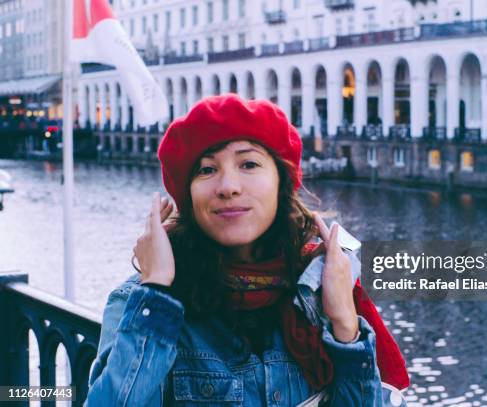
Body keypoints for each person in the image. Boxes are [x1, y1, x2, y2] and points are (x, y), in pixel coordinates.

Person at [85, 94, 409, 406]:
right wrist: (155, 288)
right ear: (189, 196)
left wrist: (343, 321)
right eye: (207, 170)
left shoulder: (319, 286)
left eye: (249, 164)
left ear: (281, 183)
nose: (228, 187)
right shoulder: (142, 300)